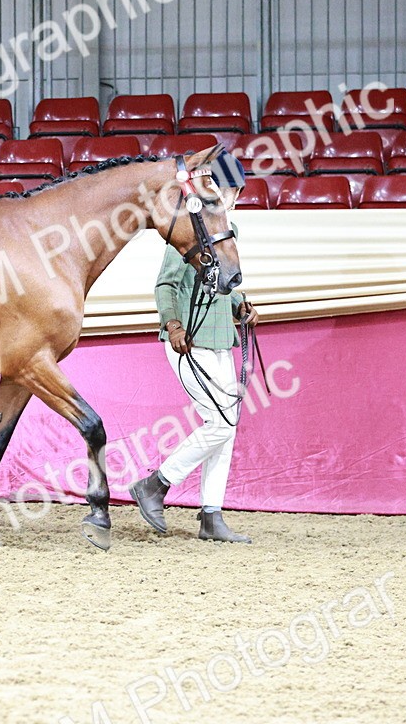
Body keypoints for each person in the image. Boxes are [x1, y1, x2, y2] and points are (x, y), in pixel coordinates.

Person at [129, 153, 257, 543]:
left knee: (227, 428)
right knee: (220, 423)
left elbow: (222, 283)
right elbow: (165, 284)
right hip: (189, 341)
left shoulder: (227, 228)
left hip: (221, 340)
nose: (232, 197)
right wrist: (172, 324)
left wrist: (242, 305)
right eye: (228, 189)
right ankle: (156, 484)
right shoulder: (191, 226)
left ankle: (211, 514)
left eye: (235, 190)